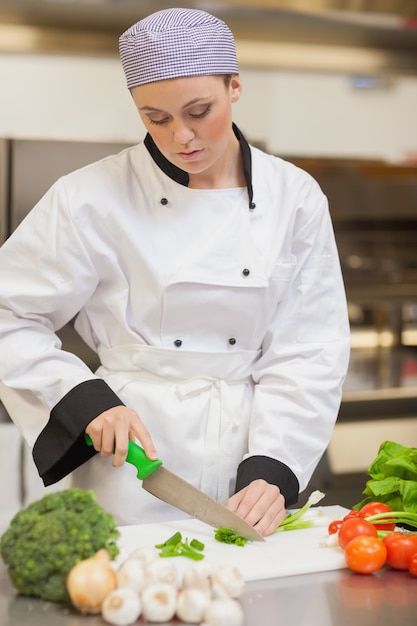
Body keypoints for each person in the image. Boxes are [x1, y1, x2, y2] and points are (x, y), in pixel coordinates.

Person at [0, 8, 350, 536]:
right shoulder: (89, 196)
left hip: (250, 457)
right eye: (155, 118)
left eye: (199, 110)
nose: (181, 136)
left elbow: (309, 347)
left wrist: (275, 467)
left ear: (235, 87)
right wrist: (81, 399)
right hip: (133, 462)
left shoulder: (293, 196)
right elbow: (8, 311)